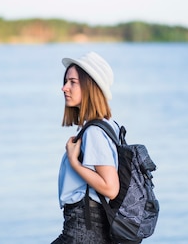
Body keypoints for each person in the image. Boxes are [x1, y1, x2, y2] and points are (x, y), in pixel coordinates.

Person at [52, 51, 120, 244]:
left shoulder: (94, 132)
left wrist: (74, 162)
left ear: (90, 86)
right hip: (89, 228)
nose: (64, 88)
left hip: (83, 229)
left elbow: (110, 187)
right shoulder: (109, 125)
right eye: (66, 81)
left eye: (72, 82)